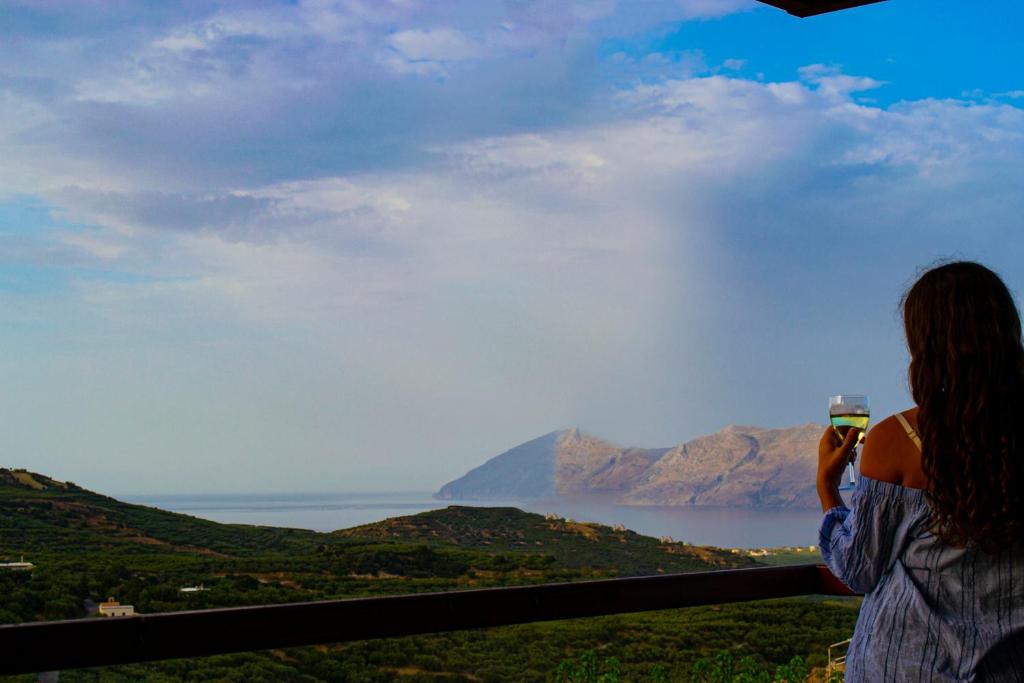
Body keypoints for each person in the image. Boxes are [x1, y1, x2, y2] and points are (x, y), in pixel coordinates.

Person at [818, 261, 1024, 681]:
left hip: (906, 666)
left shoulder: (898, 438)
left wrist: (826, 486)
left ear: (925, 343)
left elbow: (859, 568)